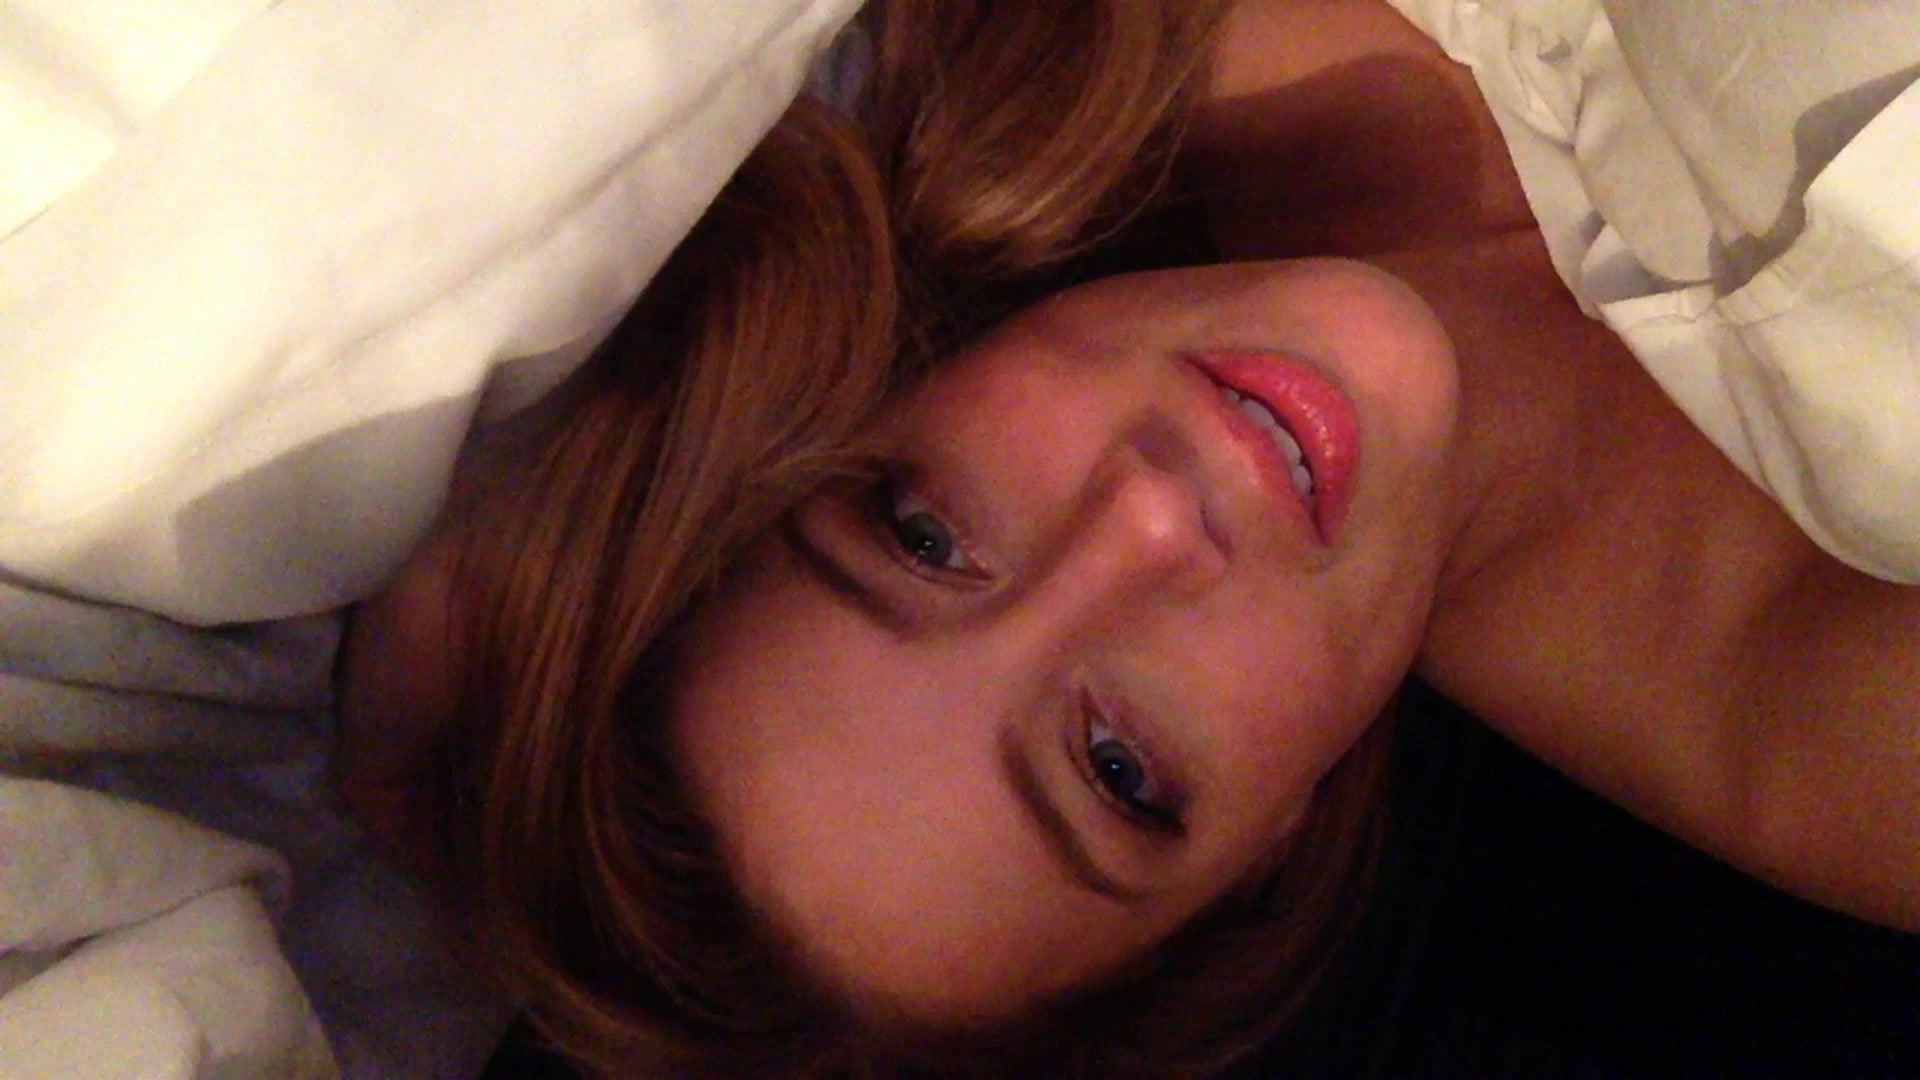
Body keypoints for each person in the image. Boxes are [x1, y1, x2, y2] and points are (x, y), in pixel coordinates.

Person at [339, 0, 1920, 1075]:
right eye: (1118, 770)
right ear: (1261, 856)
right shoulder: (1838, 733)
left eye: (921, 533)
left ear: (853, 398)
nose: (1148, 520)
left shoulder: (1041, 36)